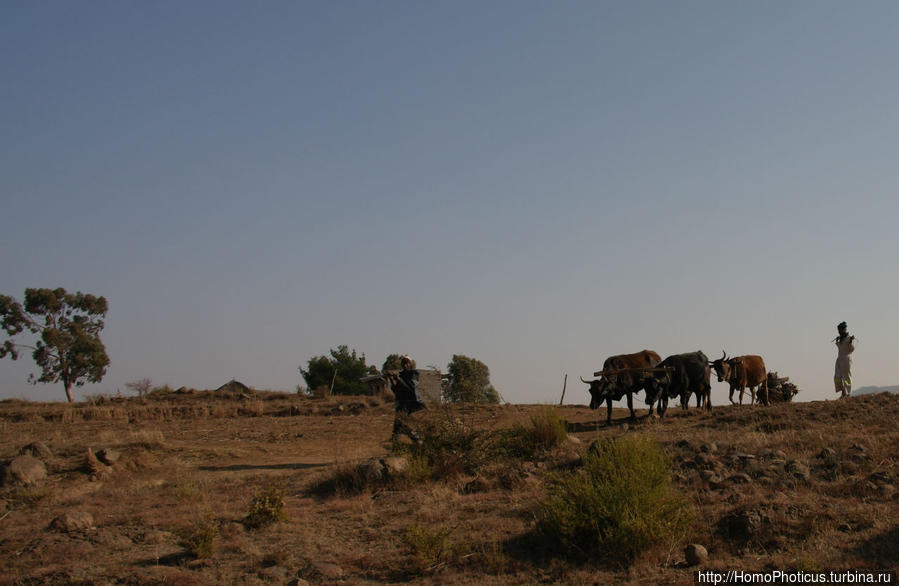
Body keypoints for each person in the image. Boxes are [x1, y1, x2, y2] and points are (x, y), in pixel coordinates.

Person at [389, 355, 425, 440]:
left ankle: (416, 438)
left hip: (409, 403)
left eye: (406, 363)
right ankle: (401, 440)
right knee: (398, 425)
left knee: (399, 424)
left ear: (410, 364)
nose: (405, 365)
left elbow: (410, 388)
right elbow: (396, 390)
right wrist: (391, 379)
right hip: (401, 403)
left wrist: (397, 379)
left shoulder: (414, 374)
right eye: (403, 363)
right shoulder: (401, 375)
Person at [833, 321, 856, 398]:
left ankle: (847, 393)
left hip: (846, 359)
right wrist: (837, 341)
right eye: (838, 330)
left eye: (840, 330)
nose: (839, 332)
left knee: (846, 376)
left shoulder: (850, 338)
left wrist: (850, 342)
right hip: (839, 359)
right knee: (837, 376)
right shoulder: (841, 339)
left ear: (844, 329)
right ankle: (843, 391)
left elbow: (852, 349)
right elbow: (840, 347)